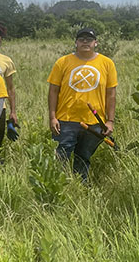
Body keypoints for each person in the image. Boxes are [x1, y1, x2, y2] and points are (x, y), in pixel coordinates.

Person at [47, 28, 117, 181]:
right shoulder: (62, 62)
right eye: (81, 39)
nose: (85, 42)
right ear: (76, 43)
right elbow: (53, 91)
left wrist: (110, 121)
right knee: (61, 157)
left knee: (83, 157)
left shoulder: (107, 63)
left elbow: (111, 94)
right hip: (65, 120)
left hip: (94, 122)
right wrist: (52, 117)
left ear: (96, 43)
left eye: (89, 39)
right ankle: (59, 189)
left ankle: (80, 188)